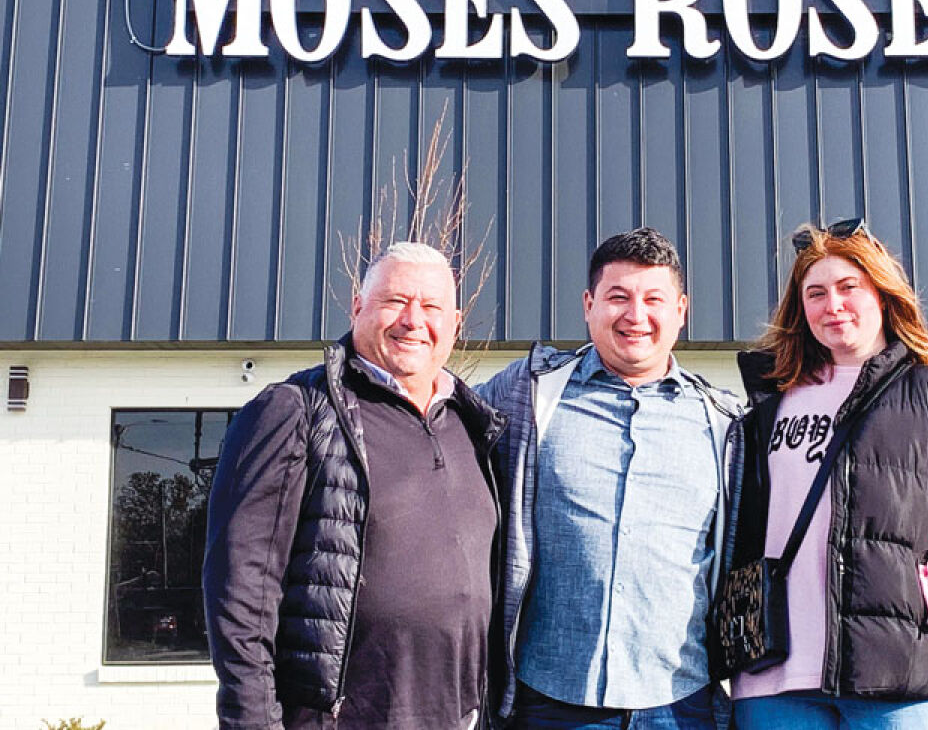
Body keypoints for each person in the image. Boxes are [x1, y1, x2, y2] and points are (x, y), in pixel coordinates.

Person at [725, 219, 928, 730]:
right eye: (814, 293)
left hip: (902, 680)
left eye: (848, 288)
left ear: (883, 296)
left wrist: (925, 598)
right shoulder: (765, 409)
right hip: (774, 682)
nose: (832, 304)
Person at [203, 242, 506, 730]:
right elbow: (241, 593)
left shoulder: (471, 425)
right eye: (395, 301)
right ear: (358, 307)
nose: (413, 320)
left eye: (430, 307)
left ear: (453, 323)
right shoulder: (295, 411)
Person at [474, 227, 743, 729]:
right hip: (552, 699)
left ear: (680, 310)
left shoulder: (725, 423)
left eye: (653, 299)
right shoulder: (530, 394)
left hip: (681, 703)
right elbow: (431, 420)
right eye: (618, 297)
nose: (635, 315)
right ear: (588, 304)